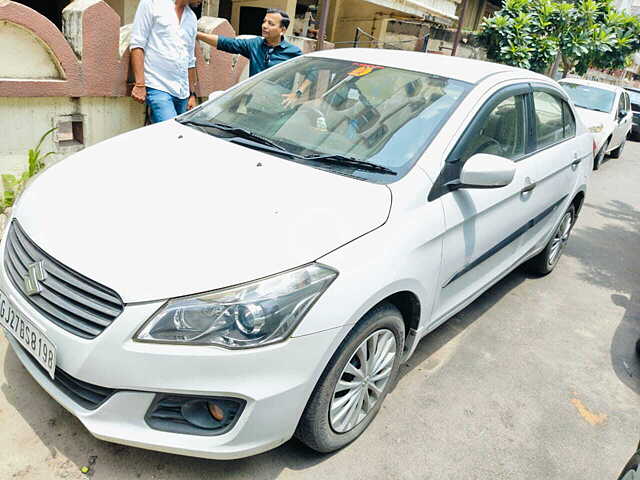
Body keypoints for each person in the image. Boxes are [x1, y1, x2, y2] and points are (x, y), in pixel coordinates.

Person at [196, 8, 311, 106]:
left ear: (282, 30)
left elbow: (313, 72)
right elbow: (227, 43)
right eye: (264, 21)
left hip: (277, 107)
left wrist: (297, 94)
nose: (264, 26)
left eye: (271, 24)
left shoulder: (293, 52)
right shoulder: (255, 44)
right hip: (253, 105)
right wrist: (197, 34)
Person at [130, 0, 200, 123]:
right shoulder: (152, 3)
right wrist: (140, 84)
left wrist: (192, 94)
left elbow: (190, 59)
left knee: (179, 137)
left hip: (182, 92)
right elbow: (137, 44)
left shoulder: (192, 18)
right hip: (158, 86)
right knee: (171, 132)